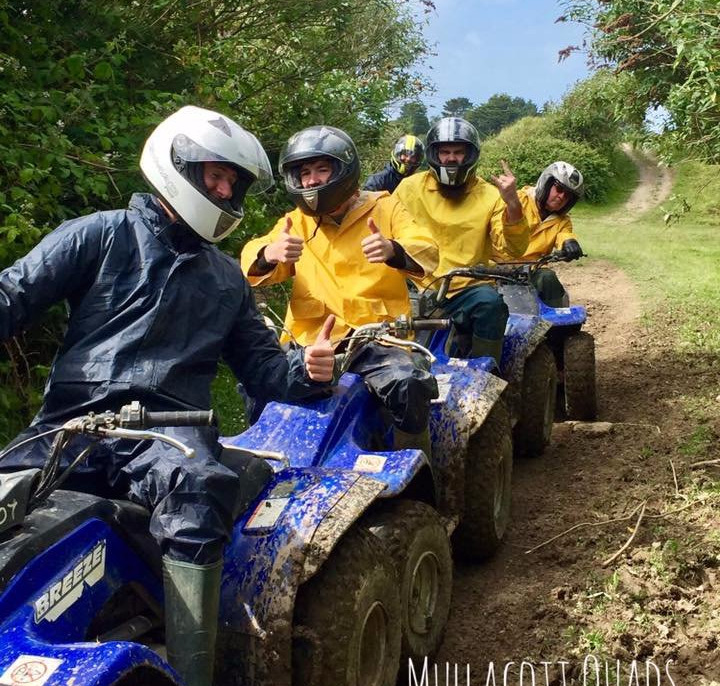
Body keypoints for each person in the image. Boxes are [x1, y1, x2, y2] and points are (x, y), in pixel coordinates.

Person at [0, 105, 334, 686]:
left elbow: (264, 370)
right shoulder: (100, 233)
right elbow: (14, 294)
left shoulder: (226, 278)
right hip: (71, 425)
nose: (225, 190)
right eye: (216, 175)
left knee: (199, 485)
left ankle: (194, 672)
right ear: (177, 164)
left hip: (170, 432)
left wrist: (309, 370)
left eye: (233, 182)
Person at [240, 124, 439, 457]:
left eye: (321, 169)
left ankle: (418, 462)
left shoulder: (386, 207)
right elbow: (252, 261)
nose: (311, 181)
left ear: (344, 170)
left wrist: (393, 249)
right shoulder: (295, 221)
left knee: (409, 384)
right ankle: (264, 461)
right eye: (304, 173)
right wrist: (268, 254)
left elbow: (427, 249)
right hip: (308, 341)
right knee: (257, 382)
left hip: (376, 339)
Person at [393, 116, 530, 365]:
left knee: (491, 305)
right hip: (413, 284)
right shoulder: (409, 188)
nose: (451, 158)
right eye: (445, 152)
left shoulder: (491, 195)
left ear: (470, 156)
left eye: (458, 152)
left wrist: (512, 203)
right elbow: (387, 227)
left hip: (465, 287)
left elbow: (513, 248)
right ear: (434, 154)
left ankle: (485, 372)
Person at [492, 161, 585, 307]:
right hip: (494, 269)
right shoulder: (516, 199)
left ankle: (557, 319)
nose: (561, 196)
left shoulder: (562, 221)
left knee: (548, 278)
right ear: (546, 183)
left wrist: (569, 242)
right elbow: (497, 228)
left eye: (568, 196)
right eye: (559, 189)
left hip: (531, 271)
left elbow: (564, 234)